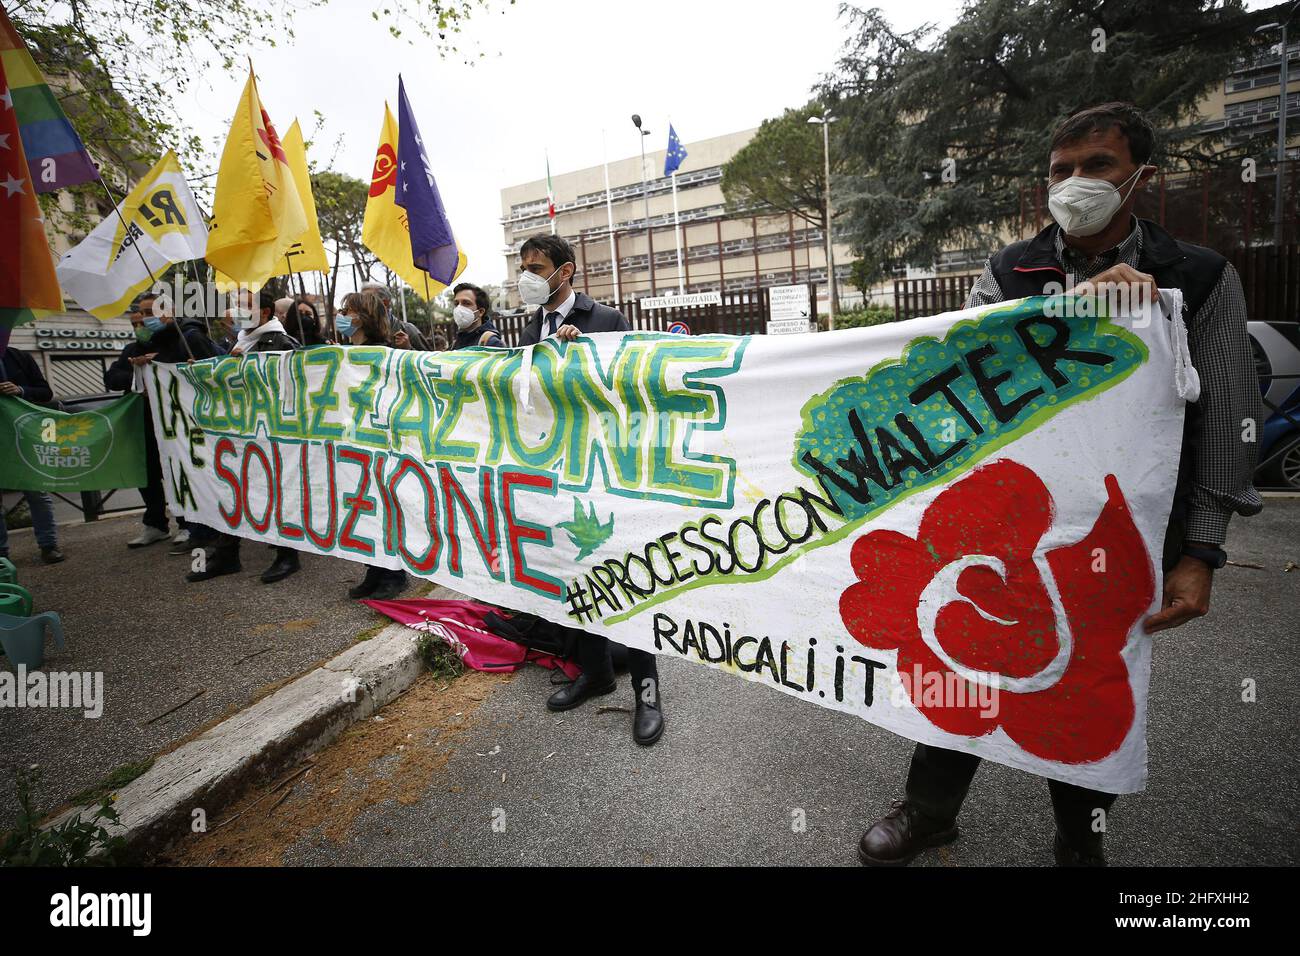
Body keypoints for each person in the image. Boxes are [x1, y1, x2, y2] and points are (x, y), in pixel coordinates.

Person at [855, 103, 1263, 868]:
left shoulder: (1199, 278)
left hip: (1123, 536)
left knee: (1089, 682)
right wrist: (1072, 313)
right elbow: (966, 381)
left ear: (1142, 176)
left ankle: (1082, 838)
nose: (1076, 184)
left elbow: (1228, 419)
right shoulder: (1012, 271)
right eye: (1060, 170)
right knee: (961, 663)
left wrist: (1202, 551)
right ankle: (930, 812)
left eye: (1098, 166)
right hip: (1000, 527)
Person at [517, 234, 664, 747]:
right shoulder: (530, 325)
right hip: (558, 471)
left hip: (607, 474)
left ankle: (647, 690)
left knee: (629, 578)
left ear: (567, 271)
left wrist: (587, 359)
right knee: (575, 576)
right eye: (524, 268)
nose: (528, 277)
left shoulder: (608, 320)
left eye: (537, 267)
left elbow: (630, 389)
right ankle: (596, 673)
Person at [187, 290, 302, 585]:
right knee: (230, 490)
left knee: (275, 493)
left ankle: (286, 555)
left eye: (245, 305)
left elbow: (286, 387)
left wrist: (246, 365)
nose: (237, 310)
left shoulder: (281, 342)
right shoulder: (239, 342)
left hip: (271, 435)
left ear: (265, 312)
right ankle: (227, 555)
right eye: (236, 305)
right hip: (239, 433)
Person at [335, 291, 410, 601]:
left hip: (382, 441)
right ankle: (373, 569)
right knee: (362, 506)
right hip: (354, 441)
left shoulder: (384, 352)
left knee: (385, 506)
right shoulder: (341, 353)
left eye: (348, 311)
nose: (342, 315)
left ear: (363, 316)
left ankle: (394, 573)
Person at [104, 296, 185, 551]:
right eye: (136, 322)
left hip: (174, 423)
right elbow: (112, 378)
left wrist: (155, 366)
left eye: (148, 315)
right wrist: (138, 371)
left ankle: (186, 523)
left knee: (174, 474)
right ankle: (156, 525)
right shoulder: (132, 350)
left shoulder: (180, 342)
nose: (141, 325)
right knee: (147, 475)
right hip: (142, 424)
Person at [0, 346, 64, 564]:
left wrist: (20, 390)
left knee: (36, 491)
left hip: (24, 435)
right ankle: (2, 557)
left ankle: (49, 545)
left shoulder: (18, 357)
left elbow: (45, 392)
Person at [360, 281, 431, 350]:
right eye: (360, 301)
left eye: (368, 301)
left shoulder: (408, 331)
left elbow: (430, 360)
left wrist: (408, 348)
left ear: (385, 303)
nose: (362, 306)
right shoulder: (358, 331)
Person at [451, 282, 504, 348]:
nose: (459, 308)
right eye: (456, 304)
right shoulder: (455, 344)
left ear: (481, 312)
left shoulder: (491, 343)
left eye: (466, 303)